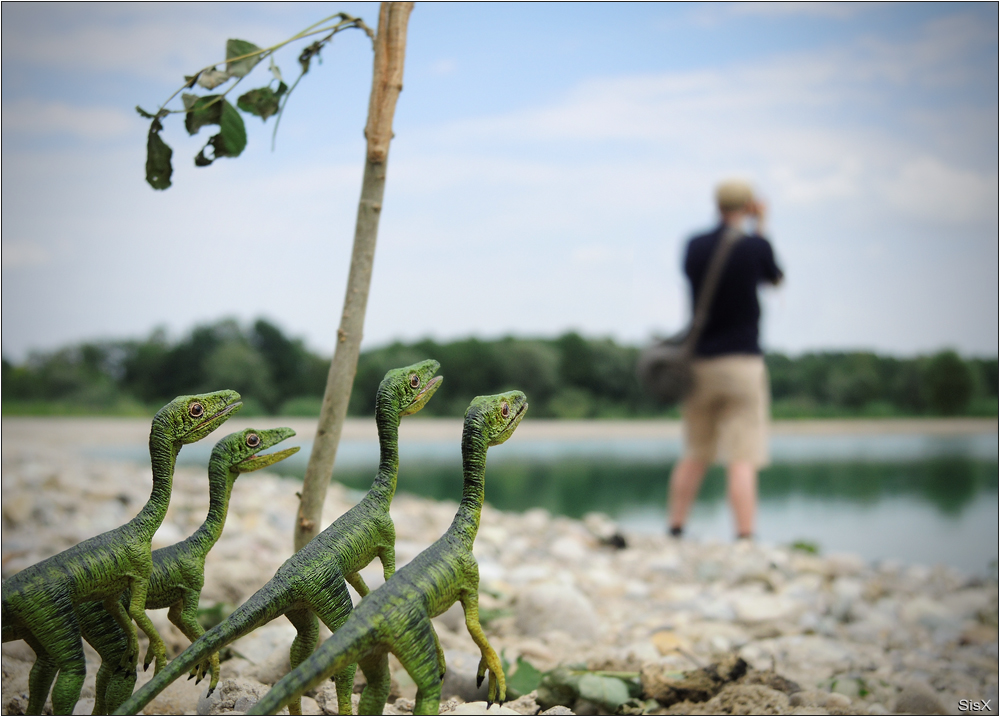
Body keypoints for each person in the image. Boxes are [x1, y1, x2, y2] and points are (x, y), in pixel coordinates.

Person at [667, 179, 783, 541]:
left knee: (695, 451)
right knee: (742, 456)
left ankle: (675, 527)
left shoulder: (694, 245)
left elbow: (691, 279)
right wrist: (759, 226)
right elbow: (773, 279)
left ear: (716, 205)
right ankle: (745, 537)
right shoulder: (754, 246)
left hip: (699, 362)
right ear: (748, 205)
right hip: (742, 363)